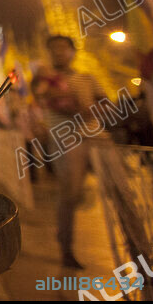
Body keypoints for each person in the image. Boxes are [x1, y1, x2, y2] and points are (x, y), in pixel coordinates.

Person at [30, 35, 107, 269]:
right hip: (66, 140)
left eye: (64, 48)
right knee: (70, 194)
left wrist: (93, 109)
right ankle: (66, 247)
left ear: (73, 51)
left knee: (120, 189)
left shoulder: (86, 77)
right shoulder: (43, 80)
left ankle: (139, 252)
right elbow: (43, 95)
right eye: (53, 49)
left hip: (96, 136)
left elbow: (105, 102)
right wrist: (67, 99)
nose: (59, 53)